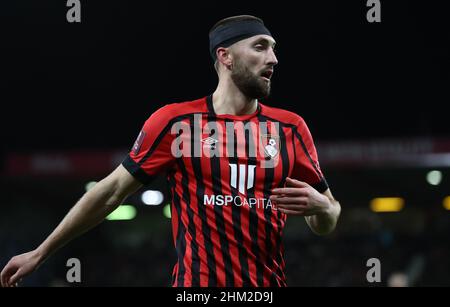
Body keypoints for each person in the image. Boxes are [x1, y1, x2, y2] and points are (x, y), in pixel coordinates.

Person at [0, 15, 341, 287]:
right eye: (260, 46)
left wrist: (323, 208)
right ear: (225, 56)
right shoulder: (176, 123)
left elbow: (326, 218)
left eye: (273, 48)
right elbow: (110, 192)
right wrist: (41, 253)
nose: (274, 58)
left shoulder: (290, 128)